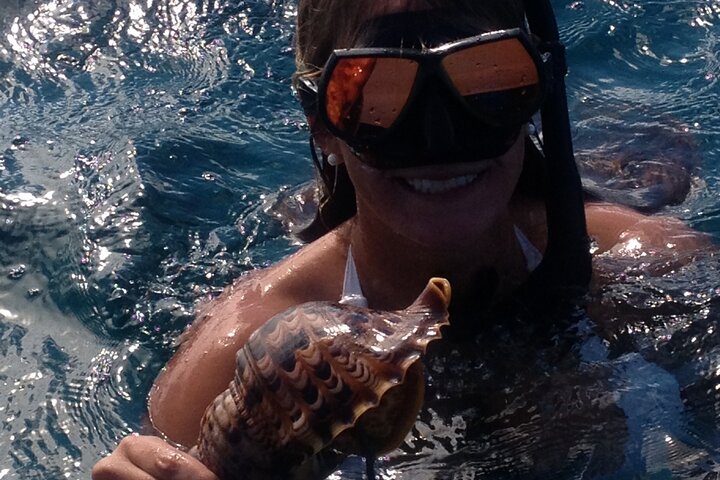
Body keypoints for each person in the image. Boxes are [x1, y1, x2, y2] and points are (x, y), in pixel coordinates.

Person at [92, 0, 712, 478]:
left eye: (486, 80)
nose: (439, 140)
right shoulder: (238, 358)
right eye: (378, 95)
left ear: (536, 93)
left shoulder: (641, 264)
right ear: (321, 124)